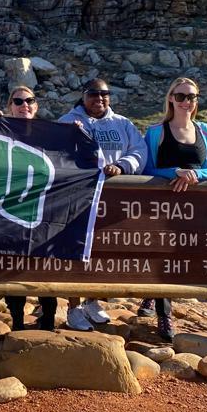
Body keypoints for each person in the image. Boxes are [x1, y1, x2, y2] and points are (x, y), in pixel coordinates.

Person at [139, 77, 207, 342]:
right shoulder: (156, 132)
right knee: (162, 254)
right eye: (180, 96)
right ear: (170, 98)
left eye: (191, 97)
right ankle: (164, 315)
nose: (186, 102)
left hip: (195, 208)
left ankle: (150, 295)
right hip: (162, 207)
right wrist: (174, 172)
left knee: (177, 254)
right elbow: (147, 169)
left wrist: (195, 174)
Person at [59, 78, 147, 332]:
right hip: (78, 198)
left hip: (112, 199)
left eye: (105, 94)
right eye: (93, 94)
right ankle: (73, 307)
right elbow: (57, 154)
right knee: (75, 249)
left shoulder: (123, 124)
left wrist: (121, 167)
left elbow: (139, 151)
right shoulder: (68, 121)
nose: (99, 98)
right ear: (83, 96)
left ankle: (92, 300)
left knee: (102, 248)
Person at [3, 84, 58, 332]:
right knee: (13, 268)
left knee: (45, 266)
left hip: (44, 210)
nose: (24, 105)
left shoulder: (50, 132)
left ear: (36, 106)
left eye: (30, 100)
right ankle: (17, 321)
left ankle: (47, 319)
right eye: (18, 101)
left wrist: (77, 133)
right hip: (10, 211)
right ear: (10, 106)